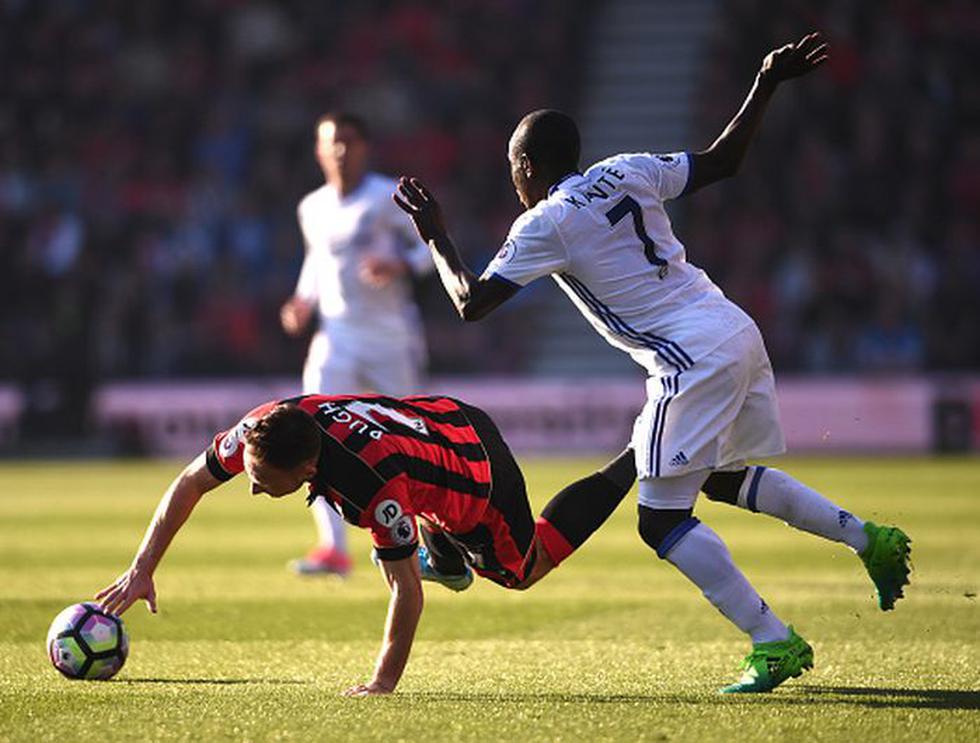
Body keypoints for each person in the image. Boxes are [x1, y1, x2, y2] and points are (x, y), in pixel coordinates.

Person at [393, 32, 912, 693]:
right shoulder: (627, 169)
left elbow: (471, 302)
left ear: (526, 165)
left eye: (511, 167)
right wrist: (765, 81)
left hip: (688, 358)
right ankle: (870, 540)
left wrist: (435, 234)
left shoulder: (546, 222)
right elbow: (723, 161)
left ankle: (773, 640)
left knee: (660, 519)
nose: (512, 180)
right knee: (722, 478)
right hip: (733, 328)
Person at [96, 394, 636, 696]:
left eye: (262, 480)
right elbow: (191, 481)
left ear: (307, 470)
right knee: (426, 535)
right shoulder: (262, 427)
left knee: (523, 570)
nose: (252, 487)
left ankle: (638, 452)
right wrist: (142, 568)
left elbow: (405, 592)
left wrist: (382, 682)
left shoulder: (371, 488)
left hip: (474, 471)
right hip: (441, 417)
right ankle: (445, 559)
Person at [280, 112, 435, 577]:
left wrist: (400, 264)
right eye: (333, 142)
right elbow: (317, 261)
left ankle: (435, 544)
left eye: (349, 141)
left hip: (391, 336)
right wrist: (302, 300)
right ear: (319, 150)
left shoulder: (388, 196)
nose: (341, 150)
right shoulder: (312, 207)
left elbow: (431, 248)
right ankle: (334, 547)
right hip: (337, 336)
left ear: (365, 147)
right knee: (311, 426)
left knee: (412, 439)